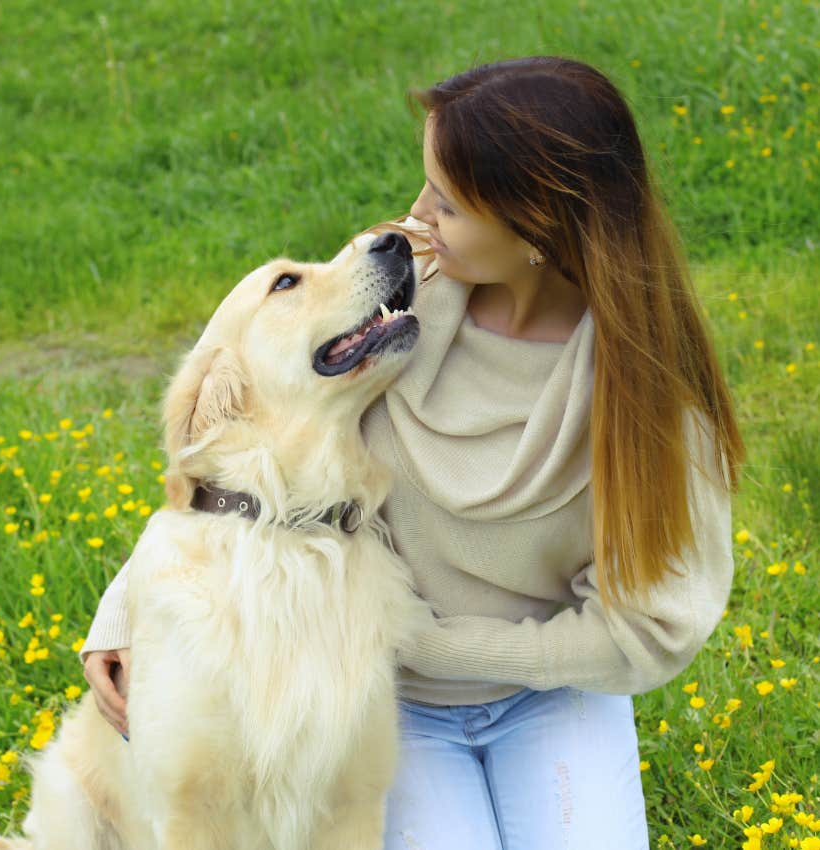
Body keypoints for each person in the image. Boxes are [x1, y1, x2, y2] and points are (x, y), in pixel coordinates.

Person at [82, 55, 743, 849]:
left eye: (449, 203)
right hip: (378, 692)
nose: (415, 217)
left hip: (551, 691)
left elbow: (649, 631)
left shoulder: (651, 403)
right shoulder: (401, 284)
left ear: (536, 227)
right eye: (427, 185)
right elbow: (250, 439)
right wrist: (126, 605)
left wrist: (434, 643)